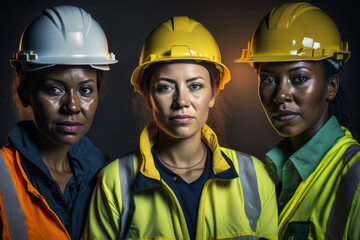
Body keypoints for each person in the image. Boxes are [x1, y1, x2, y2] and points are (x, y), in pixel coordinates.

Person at [82, 16, 278, 240]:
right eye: (166, 87)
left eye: (195, 86)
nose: (181, 101)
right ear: (147, 96)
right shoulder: (114, 181)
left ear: (214, 93)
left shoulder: (255, 177)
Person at [236, 2, 360, 239]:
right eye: (269, 79)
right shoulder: (268, 177)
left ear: (330, 86)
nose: (281, 94)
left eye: (299, 78)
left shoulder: (354, 176)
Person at [0, 5, 117, 240]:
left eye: (85, 90)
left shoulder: (112, 178)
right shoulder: (3, 176)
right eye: (54, 89)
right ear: (25, 91)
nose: (72, 106)